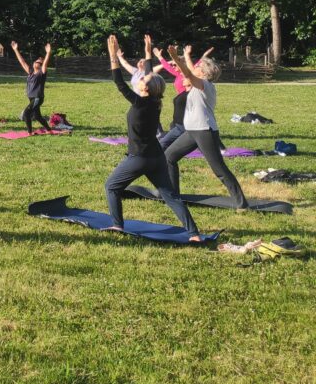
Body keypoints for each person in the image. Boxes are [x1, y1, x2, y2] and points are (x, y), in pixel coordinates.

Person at [102, 35, 201, 240]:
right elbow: (149, 76)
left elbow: (119, 82)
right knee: (171, 197)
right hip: (157, 157)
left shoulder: (140, 103)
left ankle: (117, 225)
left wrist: (113, 56)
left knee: (111, 186)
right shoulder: (155, 102)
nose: (141, 79)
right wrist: (148, 54)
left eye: (143, 80)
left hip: (139, 157)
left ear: (145, 88)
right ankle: (193, 233)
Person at [164, 44, 248, 209]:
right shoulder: (200, 82)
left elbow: (187, 72)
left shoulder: (204, 85)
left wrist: (175, 57)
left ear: (202, 73)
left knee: (219, 169)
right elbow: (189, 70)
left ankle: (241, 203)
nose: (195, 68)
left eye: (198, 67)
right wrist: (186, 56)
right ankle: (173, 196)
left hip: (205, 131)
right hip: (192, 131)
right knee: (169, 156)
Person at [153, 45, 215, 149]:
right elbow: (167, 66)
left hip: (189, 100)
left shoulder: (192, 76)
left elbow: (197, 67)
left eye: (175, 65)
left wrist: (182, 56)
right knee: (176, 126)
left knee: (180, 128)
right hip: (182, 100)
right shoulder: (178, 74)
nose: (173, 67)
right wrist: (160, 57)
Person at [11, 41, 53, 135]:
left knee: (26, 114)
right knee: (37, 116)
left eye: (39, 62)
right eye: (36, 61)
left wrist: (48, 53)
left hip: (37, 98)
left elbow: (45, 63)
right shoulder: (30, 72)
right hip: (32, 99)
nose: (36, 62)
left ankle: (30, 132)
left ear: (41, 65)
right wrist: (16, 50)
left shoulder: (41, 73)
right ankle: (49, 130)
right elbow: (22, 62)